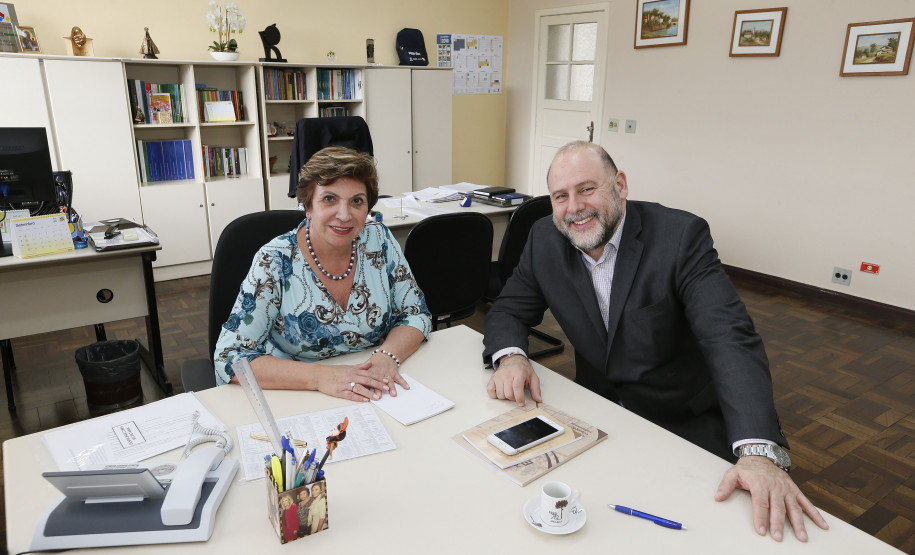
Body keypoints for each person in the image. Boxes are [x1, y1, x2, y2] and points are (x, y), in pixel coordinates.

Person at [483, 141, 828, 542]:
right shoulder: (545, 237)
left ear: (621, 185)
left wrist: (757, 453)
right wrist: (512, 358)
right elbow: (508, 308)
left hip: (682, 417)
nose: (574, 207)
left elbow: (728, 336)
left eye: (587, 189)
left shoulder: (679, 236)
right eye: (561, 196)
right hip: (599, 414)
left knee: (713, 533)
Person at [214, 147, 432, 400]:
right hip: (294, 393)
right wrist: (320, 377)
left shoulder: (379, 241)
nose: (344, 215)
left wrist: (387, 356)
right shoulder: (274, 259)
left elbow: (415, 313)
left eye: (357, 201)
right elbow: (230, 357)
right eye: (329, 199)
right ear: (307, 206)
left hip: (373, 387)